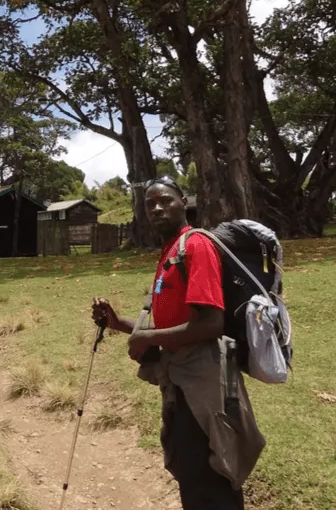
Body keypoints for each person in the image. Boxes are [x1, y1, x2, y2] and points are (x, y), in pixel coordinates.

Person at [92, 177, 263, 510]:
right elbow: (171, 325)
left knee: (209, 475)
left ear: (184, 202)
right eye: (149, 203)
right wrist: (117, 323)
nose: (156, 207)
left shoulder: (195, 245)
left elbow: (211, 323)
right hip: (182, 378)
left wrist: (149, 337)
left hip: (204, 378)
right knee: (191, 469)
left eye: (165, 200)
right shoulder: (169, 252)